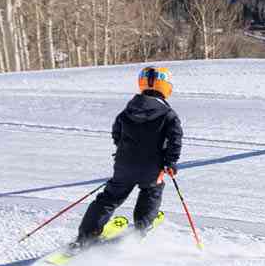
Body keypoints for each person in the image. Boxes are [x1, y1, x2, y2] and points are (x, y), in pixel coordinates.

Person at [72, 64, 184, 245]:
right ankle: (141, 228)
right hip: (151, 167)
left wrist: (124, 150)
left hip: (124, 164)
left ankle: (86, 235)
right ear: (166, 86)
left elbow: (117, 132)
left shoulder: (128, 110)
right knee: (151, 191)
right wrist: (170, 162)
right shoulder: (168, 114)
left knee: (109, 198)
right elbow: (175, 139)